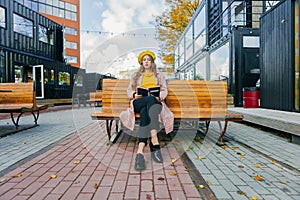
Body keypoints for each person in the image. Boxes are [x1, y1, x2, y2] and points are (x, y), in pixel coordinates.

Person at [119, 50, 174, 170]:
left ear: (152, 62)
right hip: (139, 101)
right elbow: (129, 90)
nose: (146, 62)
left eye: (149, 60)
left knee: (146, 112)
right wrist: (134, 95)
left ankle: (140, 152)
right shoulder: (136, 76)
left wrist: (159, 96)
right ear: (141, 62)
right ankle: (154, 140)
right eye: (144, 60)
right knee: (148, 101)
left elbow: (164, 90)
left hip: (155, 102)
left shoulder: (159, 75)